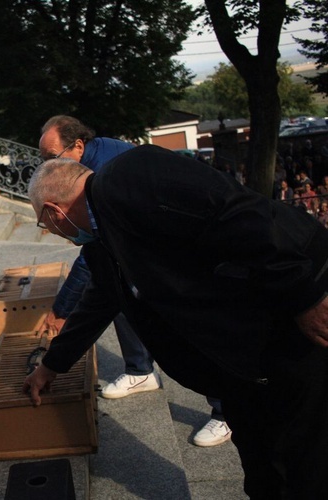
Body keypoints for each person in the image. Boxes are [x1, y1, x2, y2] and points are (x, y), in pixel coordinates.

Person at [24, 145, 328, 498]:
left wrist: (303, 295)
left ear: (53, 211)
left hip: (289, 321)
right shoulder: (101, 239)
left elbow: (237, 213)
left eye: (43, 224)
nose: (50, 231)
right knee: (261, 464)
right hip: (242, 358)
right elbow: (100, 300)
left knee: (303, 460)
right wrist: (52, 365)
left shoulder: (127, 176)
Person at [37, 116, 162, 398]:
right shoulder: (94, 157)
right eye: (43, 160)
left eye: (52, 158)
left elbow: (94, 253)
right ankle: (140, 371)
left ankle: (224, 411)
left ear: (78, 146)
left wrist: (62, 309)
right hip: (144, 244)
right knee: (117, 289)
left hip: (170, 249)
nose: (49, 167)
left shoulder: (99, 177)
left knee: (188, 324)